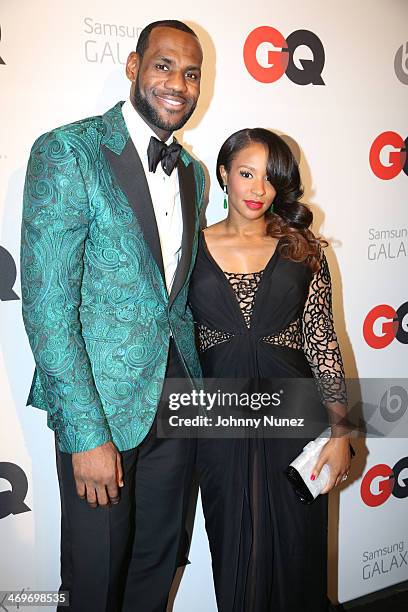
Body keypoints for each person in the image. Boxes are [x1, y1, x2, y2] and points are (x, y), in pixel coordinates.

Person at [20, 20, 204, 612]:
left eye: (192, 74)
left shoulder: (197, 175)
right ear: (132, 67)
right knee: (95, 577)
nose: (178, 83)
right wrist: (85, 433)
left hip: (176, 406)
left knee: (157, 563)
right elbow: (48, 306)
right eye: (164, 66)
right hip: (99, 410)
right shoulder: (68, 151)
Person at [188, 128, 352, 611]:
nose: (258, 189)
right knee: (234, 545)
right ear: (223, 175)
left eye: (270, 178)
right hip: (219, 426)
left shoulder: (304, 250)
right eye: (246, 174)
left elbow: (322, 342)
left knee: (298, 551)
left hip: (296, 421)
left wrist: (342, 431)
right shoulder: (186, 250)